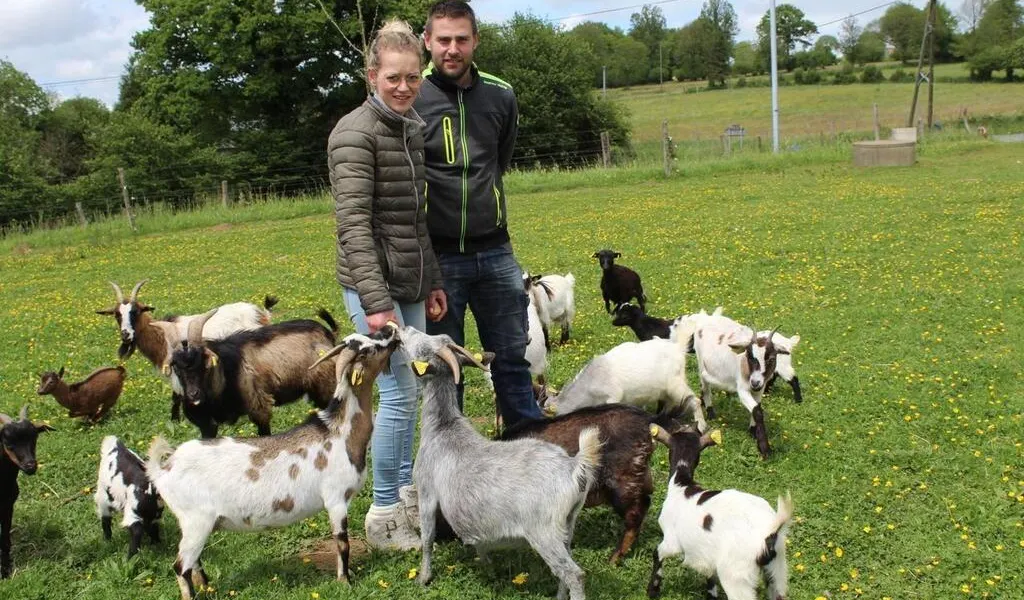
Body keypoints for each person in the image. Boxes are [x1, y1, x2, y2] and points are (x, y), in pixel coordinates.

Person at [327, 18, 446, 551]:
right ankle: (382, 512)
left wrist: (432, 279)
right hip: (373, 286)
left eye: (412, 77)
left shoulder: (410, 127)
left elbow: (415, 219)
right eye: (393, 77)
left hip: (410, 280)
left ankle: (404, 493)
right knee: (397, 393)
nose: (403, 86)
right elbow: (353, 226)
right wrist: (376, 304)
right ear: (372, 75)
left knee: (414, 388)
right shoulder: (354, 133)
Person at [414, 1, 542, 429]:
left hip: (496, 251)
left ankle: (527, 445)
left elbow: (499, 161)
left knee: (512, 359)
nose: (452, 49)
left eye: (461, 39)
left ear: (476, 41)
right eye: (443, 40)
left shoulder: (501, 95)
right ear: (427, 41)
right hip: (439, 258)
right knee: (445, 368)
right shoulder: (413, 97)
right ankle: (453, 457)